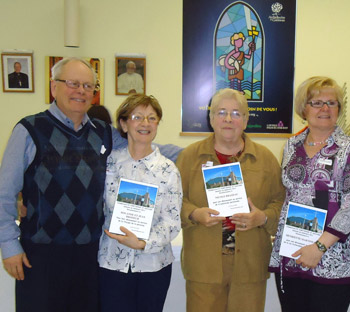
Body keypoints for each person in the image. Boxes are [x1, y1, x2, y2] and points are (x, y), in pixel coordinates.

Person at [0, 57, 121, 312]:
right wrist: (9, 245)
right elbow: (4, 193)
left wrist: (203, 150)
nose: (81, 91)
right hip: (41, 256)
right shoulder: (29, 129)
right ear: (54, 87)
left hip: (89, 256)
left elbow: (145, 147)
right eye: (73, 83)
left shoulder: (104, 132)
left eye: (88, 86)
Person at [176, 88, 285, 312]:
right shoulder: (189, 158)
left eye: (236, 113)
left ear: (245, 120)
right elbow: (173, 201)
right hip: (204, 264)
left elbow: (281, 203)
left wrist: (262, 218)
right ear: (211, 118)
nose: (228, 119)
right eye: (221, 112)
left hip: (249, 266)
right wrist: (194, 214)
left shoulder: (265, 159)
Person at [268, 76, 350, 312]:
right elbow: (289, 195)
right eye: (316, 103)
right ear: (304, 109)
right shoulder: (291, 145)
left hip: (333, 256)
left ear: (339, 109)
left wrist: (319, 248)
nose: (325, 108)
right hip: (293, 252)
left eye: (332, 103)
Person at [98, 94, 182, 312]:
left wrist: (143, 243)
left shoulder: (168, 170)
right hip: (111, 263)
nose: (145, 123)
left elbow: (172, 222)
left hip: (152, 266)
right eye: (138, 117)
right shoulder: (109, 163)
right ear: (124, 124)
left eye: (152, 118)